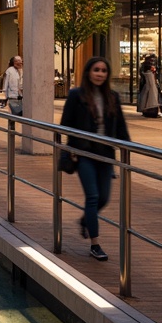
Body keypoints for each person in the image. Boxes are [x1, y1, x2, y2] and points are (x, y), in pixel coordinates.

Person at [60, 57, 129, 262]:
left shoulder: (113, 97)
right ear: (88, 72)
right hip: (84, 154)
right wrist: (72, 147)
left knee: (104, 198)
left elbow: (122, 128)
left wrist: (128, 149)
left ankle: (86, 219)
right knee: (92, 196)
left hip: (105, 154)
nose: (100, 74)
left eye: (104, 71)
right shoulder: (76, 95)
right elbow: (65, 124)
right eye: (96, 70)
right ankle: (95, 244)